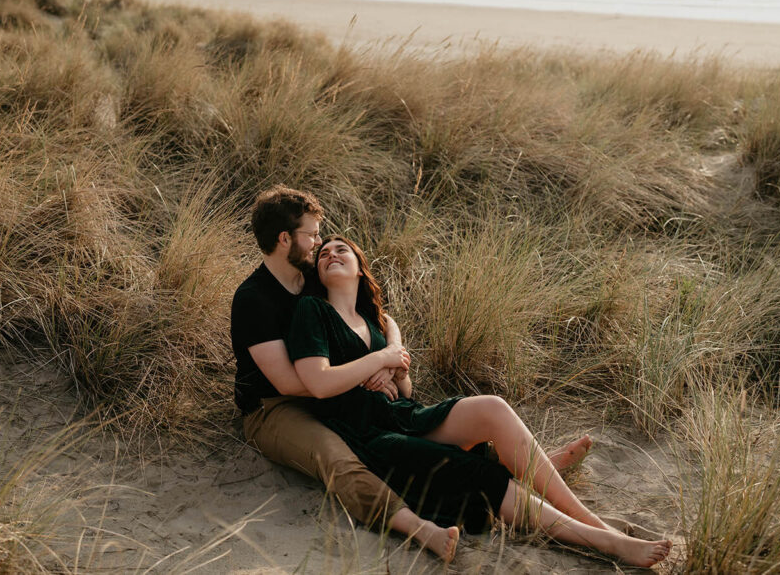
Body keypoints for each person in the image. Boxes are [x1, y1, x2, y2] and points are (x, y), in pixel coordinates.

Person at [230, 186, 595, 561]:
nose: (321, 242)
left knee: (414, 425)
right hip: (274, 408)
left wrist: (389, 356)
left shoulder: (311, 276)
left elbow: (373, 318)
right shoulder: (254, 299)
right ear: (284, 238)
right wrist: (368, 371)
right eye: (312, 235)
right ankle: (417, 527)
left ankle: (529, 466)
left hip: (335, 391)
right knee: (336, 457)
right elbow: (293, 383)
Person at [285, 235, 673, 567]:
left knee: (492, 408)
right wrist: (382, 358)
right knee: (479, 474)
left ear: (359, 268)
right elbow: (318, 384)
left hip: (404, 416)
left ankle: (589, 517)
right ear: (318, 273)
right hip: (369, 437)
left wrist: (398, 371)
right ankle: (605, 541)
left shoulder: (374, 322)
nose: (331, 254)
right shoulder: (312, 310)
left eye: (342, 251)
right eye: (324, 254)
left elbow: (404, 392)